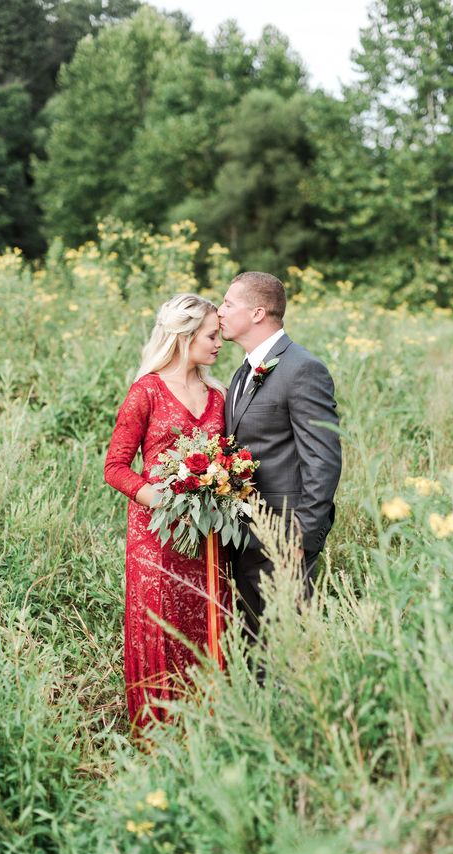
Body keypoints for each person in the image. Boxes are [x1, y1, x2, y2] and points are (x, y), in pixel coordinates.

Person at [104, 293, 229, 732]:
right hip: (155, 536)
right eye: (212, 335)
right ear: (185, 336)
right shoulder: (147, 391)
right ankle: (158, 732)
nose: (219, 344)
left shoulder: (219, 396)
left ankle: (210, 725)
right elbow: (115, 467)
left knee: (208, 617)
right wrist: (154, 496)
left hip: (207, 532)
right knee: (163, 622)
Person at [218, 271, 342, 641]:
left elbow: (323, 458)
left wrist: (301, 537)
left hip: (285, 534)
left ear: (257, 313)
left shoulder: (302, 368)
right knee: (252, 642)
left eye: (228, 303)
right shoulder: (244, 370)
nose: (219, 311)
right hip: (245, 533)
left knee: (286, 643)